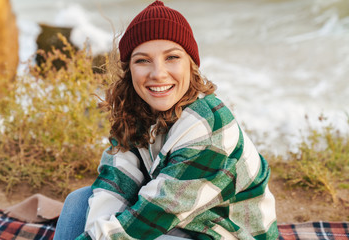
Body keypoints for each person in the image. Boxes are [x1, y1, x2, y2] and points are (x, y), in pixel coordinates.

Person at [54, 1, 279, 239]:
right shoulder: (135, 110)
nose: (158, 73)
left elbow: (154, 216)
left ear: (190, 65)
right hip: (180, 217)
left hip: (220, 230)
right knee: (79, 201)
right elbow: (115, 182)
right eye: (142, 60)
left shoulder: (208, 124)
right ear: (129, 69)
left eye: (171, 57)